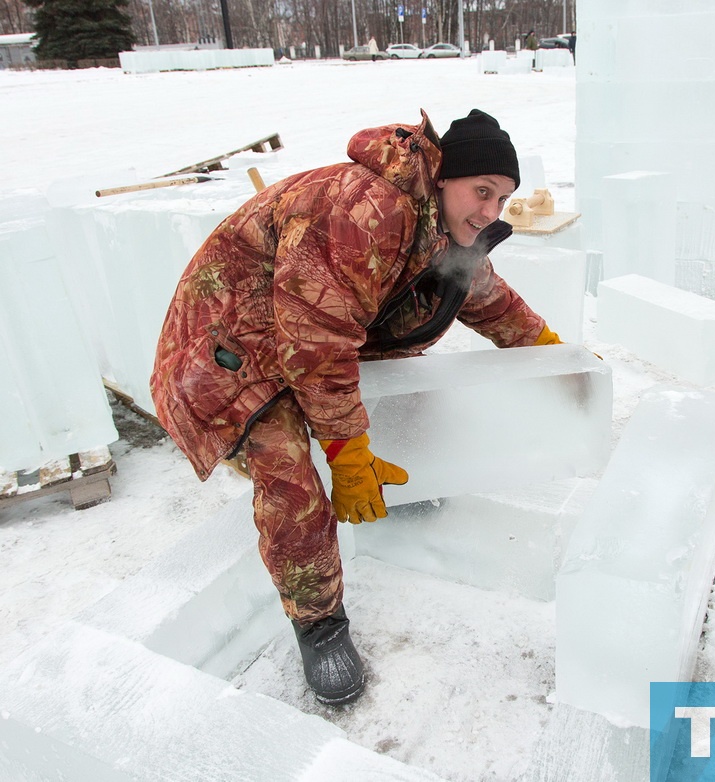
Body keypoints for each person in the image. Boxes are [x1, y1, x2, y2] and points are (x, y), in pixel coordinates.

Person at [150, 109, 562, 706]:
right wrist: (346, 452)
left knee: (401, 392)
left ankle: (388, 487)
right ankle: (318, 624)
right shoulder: (364, 211)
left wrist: (552, 351)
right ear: (446, 175)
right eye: (483, 191)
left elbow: (486, 298)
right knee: (291, 478)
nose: (490, 212)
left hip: (302, 332)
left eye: (501, 199)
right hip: (230, 349)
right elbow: (315, 344)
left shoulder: (438, 226)